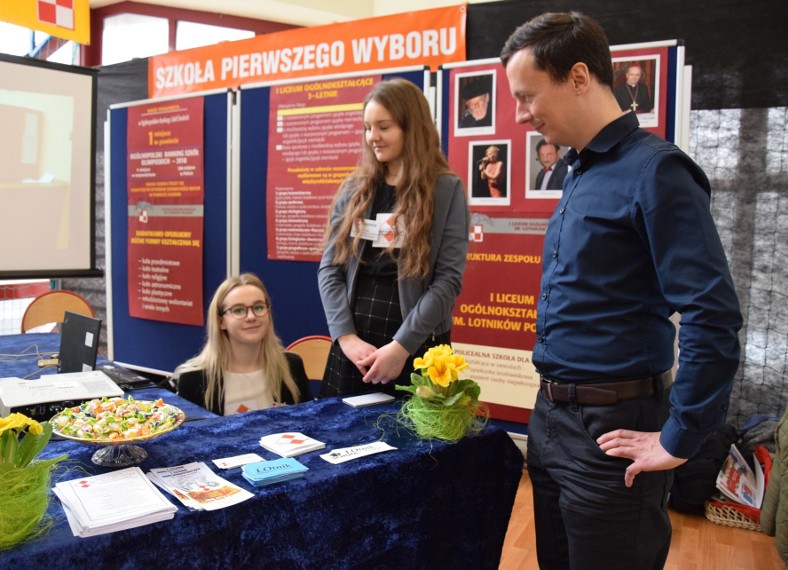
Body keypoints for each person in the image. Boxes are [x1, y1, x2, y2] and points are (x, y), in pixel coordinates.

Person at [500, 12, 742, 570]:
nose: (519, 116)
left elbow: (713, 317)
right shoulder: (577, 169)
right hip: (551, 419)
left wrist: (678, 438)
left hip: (616, 429)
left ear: (579, 77)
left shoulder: (656, 172)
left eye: (527, 97)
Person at [318, 77, 469, 398]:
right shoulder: (355, 189)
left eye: (383, 127)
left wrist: (401, 347)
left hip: (418, 344)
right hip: (356, 349)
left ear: (411, 128)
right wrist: (345, 337)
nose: (373, 137)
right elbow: (330, 270)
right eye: (367, 127)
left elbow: (447, 282)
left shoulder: (445, 189)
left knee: (418, 444)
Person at [174, 273, 312, 415]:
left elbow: (309, 424)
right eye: (239, 310)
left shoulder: (291, 366)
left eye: (258, 308)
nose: (251, 317)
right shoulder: (193, 378)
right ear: (221, 322)